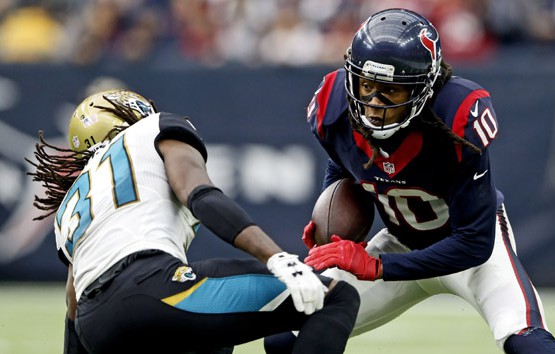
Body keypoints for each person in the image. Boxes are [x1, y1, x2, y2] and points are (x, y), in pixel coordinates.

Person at [264, 8, 555, 354]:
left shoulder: (457, 117)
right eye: (366, 86)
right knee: (286, 334)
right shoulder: (333, 106)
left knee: (526, 344)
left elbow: (474, 243)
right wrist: (333, 228)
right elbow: (343, 163)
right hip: (401, 241)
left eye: (391, 93)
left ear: (425, 89)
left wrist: (378, 266)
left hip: (470, 253)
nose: (372, 105)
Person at [26, 89, 359, 354]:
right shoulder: (151, 131)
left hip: (95, 325)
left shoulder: (72, 201)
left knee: (214, 338)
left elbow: (72, 302)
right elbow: (199, 194)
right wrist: (277, 258)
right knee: (334, 296)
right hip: (151, 288)